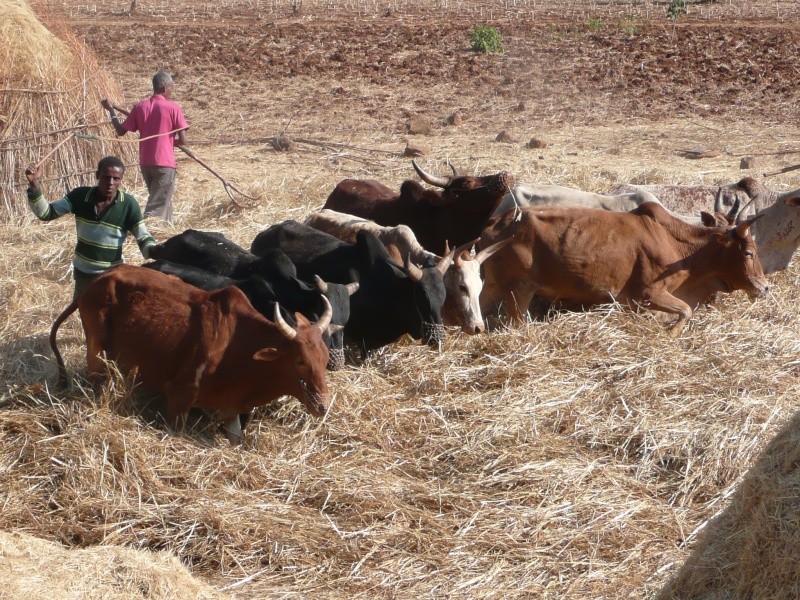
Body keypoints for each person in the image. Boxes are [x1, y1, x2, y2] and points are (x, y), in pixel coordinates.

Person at [25, 156, 157, 299]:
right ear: (97, 176)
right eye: (106, 177)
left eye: (116, 179)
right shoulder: (80, 197)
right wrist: (34, 185)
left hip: (113, 275)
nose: (110, 183)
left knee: (111, 317)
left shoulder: (128, 205)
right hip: (84, 275)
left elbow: (142, 235)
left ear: (121, 180)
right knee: (87, 317)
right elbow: (46, 213)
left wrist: (154, 250)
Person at [102, 71, 189, 224]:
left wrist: (111, 111)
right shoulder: (173, 108)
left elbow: (120, 130)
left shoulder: (140, 107)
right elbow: (183, 140)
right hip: (164, 163)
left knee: (162, 200)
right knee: (157, 205)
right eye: (171, 87)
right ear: (164, 87)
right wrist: (168, 141)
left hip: (146, 163)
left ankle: (167, 231)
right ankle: (146, 232)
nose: (171, 91)